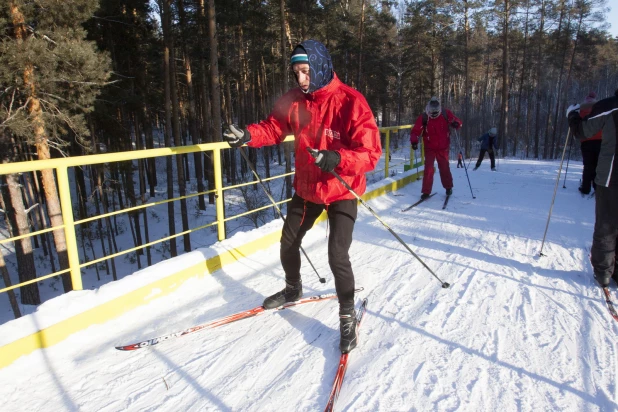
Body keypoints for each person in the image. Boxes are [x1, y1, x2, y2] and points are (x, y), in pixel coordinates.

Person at [222, 39, 382, 353]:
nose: (301, 79)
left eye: (306, 71)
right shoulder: (294, 100)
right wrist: (248, 135)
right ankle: (292, 289)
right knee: (288, 242)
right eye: (296, 72)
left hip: (341, 189)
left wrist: (338, 159)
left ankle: (347, 315)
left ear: (321, 67)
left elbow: (371, 153)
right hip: (308, 189)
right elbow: (273, 127)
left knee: (337, 255)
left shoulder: (351, 101)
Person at [567, 88, 618, 288]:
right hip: (604, 162)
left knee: (606, 224)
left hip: (611, 175)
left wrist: (572, 115)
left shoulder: (609, 105)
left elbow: (582, 131)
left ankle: (603, 272)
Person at [410, 97, 462, 199]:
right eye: (432, 112)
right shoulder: (424, 117)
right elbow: (415, 131)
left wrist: (456, 124)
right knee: (428, 169)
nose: (433, 114)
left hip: (443, 147)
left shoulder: (445, 113)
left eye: (435, 112)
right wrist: (414, 141)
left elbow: (457, 122)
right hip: (430, 147)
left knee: (444, 168)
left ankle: (448, 187)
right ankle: (426, 191)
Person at [578, 91, 602, 195]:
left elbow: (577, 122)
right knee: (598, 164)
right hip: (600, 140)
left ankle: (585, 187)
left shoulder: (581, 108)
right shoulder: (600, 107)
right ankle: (597, 187)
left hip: (586, 140)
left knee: (588, 165)